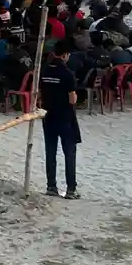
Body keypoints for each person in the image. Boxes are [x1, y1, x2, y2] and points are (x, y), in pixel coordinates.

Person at [40, 40, 81, 199]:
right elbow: (72, 99)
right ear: (65, 55)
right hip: (65, 117)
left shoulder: (44, 70)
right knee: (69, 153)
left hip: (48, 115)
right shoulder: (67, 73)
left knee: (50, 152)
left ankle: (51, 186)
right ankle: (71, 189)